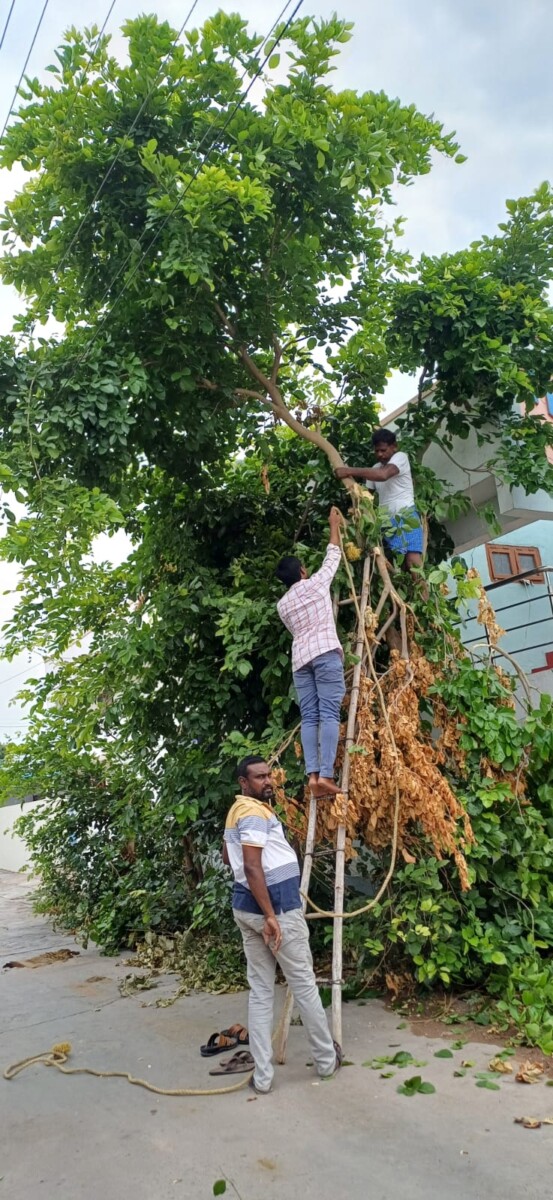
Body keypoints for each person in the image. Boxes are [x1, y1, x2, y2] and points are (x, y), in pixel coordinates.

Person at [223, 755, 342, 1094]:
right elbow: (251, 866)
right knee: (303, 984)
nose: (268, 781)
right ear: (244, 783)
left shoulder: (237, 811)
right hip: (274, 910)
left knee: (260, 991)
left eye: (268, 775)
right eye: (259, 777)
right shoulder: (252, 813)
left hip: (246, 908)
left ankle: (262, 1079)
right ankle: (325, 1061)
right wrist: (271, 916)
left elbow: (226, 856)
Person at [276, 507, 345, 799]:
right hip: (325, 653)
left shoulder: (282, 606)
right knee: (329, 713)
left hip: (300, 660)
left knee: (310, 716)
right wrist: (334, 524)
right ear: (303, 571)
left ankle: (313, 775)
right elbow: (334, 554)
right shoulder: (316, 585)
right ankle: (326, 775)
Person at [335, 428, 424, 573]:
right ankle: (412, 593)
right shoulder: (375, 468)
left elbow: (383, 475)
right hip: (387, 522)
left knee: (413, 560)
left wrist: (348, 470)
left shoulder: (400, 457)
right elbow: (366, 497)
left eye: (383, 450)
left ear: (394, 446)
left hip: (406, 516)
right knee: (403, 565)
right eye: (376, 451)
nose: (379, 454)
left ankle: (424, 595)